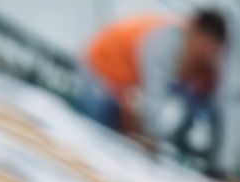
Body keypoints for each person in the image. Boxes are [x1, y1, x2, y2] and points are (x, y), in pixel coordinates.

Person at [79, 8, 228, 154]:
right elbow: (153, 96)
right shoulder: (165, 42)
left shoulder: (192, 58)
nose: (211, 55)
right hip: (99, 70)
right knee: (98, 131)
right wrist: (148, 136)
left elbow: (193, 101)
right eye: (209, 47)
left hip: (121, 86)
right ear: (197, 33)